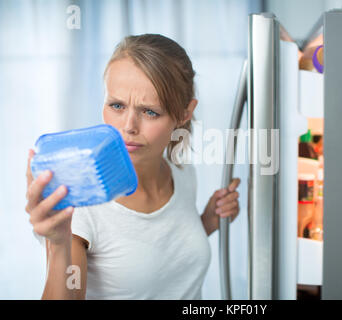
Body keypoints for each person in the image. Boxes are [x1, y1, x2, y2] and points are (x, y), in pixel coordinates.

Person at [25, 34, 241, 299]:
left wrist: (205, 223)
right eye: (117, 105)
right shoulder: (81, 202)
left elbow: (158, 259)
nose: (128, 127)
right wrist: (58, 246)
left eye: (150, 111)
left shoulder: (183, 173)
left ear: (184, 113)